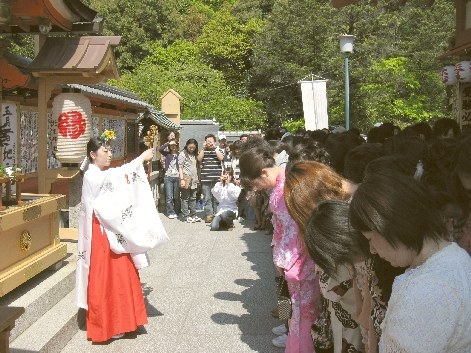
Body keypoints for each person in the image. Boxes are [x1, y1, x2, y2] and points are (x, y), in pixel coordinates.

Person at [349, 171, 471, 353]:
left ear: (388, 226)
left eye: (369, 238)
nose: (372, 249)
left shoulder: (425, 291)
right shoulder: (454, 256)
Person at [76, 131, 168, 342]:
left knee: (120, 273)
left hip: (110, 228)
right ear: (92, 154)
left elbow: (116, 177)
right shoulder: (92, 174)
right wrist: (139, 160)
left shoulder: (97, 173)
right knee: (108, 276)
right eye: (105, 151)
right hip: (102, 231)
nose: (109, 155)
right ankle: (108, 324)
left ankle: (124, 320)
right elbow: (116, 176)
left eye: (110, 151)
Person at [240, 146, 319, 353]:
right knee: (285, 298)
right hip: (287, 255)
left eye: (256, 183)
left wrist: (285, 260)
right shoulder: (281, 184)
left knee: (296, 307)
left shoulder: (286, 187)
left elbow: (294, 231)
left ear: (264, 172)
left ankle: (289, 332)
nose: (257, 188)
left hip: (293, 258)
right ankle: (286, 327)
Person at [197, 134, 225, 223]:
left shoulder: (219, 150)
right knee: (207, 198)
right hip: (205, 178)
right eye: (207, 141)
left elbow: (221, 158)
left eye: (211, 141)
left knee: (216, 198)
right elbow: (199, 159)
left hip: (217, 178)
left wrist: (215, 148)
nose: (209, 143)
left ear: (215, 142)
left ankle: (217, 214)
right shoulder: (203, 151)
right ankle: (209, 214)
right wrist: (203, 148)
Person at [178, 138, 201, 223]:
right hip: (186, 178)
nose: (191, 149)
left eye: (193, 148)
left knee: (193, 198)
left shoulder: (195, 154)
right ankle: (185, 215)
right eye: (190, 147)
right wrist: (182, 179)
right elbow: (180, 167)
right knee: (185, 198)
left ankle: (193, 214)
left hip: (194, 179)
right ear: (187, 145)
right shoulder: (182, 154)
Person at [160, 140, 181, 218]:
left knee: (176, 196)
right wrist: (168, 143)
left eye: (175, 145)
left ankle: (177, 211)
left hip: (177, 177)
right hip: (168, 177)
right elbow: (160, 149)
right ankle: (170, 212)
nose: (173, 146)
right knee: (169, 196)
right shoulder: (167, 154)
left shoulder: (180, 155)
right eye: (172, 145)